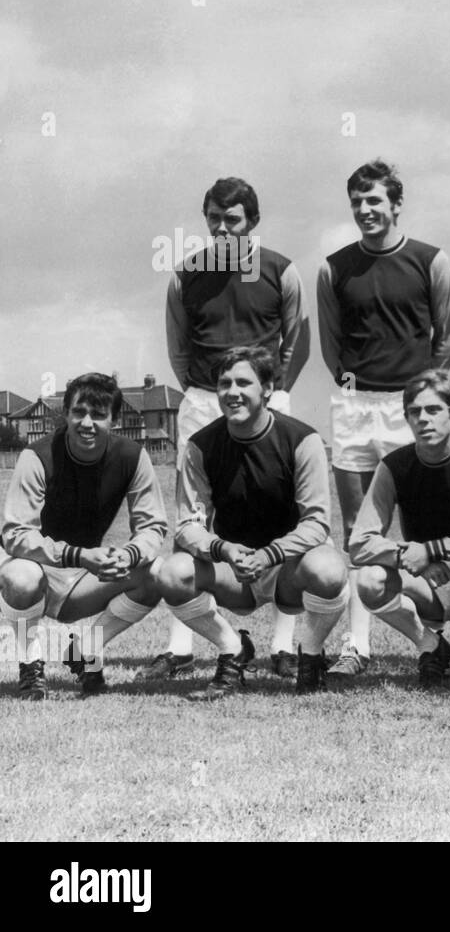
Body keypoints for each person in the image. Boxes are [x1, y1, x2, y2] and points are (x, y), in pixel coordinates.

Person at [147, 175, 310, 681]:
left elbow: (297, 340)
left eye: (232, 219)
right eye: (214, 219)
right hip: (203, 398)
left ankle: (284, 645)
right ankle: (182, 646)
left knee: (282, 512)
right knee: (194, 517)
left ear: (252, 222)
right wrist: (201, 390)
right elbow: (178, 347)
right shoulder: (185, 275)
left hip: (265, 399)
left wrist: (277, 390)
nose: (222, 228)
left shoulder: (282, 270)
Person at [317, 159, 450, 680]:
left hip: (408, 404)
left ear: (396, 204)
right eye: (357, 201)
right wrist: (358, 386)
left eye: (374, 200)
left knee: (426, 530)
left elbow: (447, 337)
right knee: (359, 532)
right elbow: (333, 348)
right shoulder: (334, 267)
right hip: (355, 409)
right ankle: (358, 645)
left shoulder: (431, 261)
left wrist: (420, 392)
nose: (365, 210)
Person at [157, 346, 349, 697]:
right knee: (172, 572)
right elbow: (187, 525)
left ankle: (311, 654)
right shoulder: (200, 446)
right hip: (236, 568)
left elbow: (317, 523)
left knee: (330, 568)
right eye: (224, 383)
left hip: (287, 567)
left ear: (268, 389)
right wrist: (224, 548)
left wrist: (270, 554)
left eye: (244, 382)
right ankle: (232, 650)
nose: (232, 392)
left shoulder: (302, 440)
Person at [1, 374, 168, 698]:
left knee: (155, 574)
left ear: (115, 419)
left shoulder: (133, 457)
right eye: (79, 412)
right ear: (65, 413)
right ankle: (30, 665)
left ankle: (86, 650)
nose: (87, 423)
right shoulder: (36, 456)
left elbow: (152, 526)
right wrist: (78, 556)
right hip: (29, 570)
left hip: (80, 579)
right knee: (23, 577)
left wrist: (128, 555)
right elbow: (17, 534)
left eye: (98, 414)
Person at [349, 370, 450, 689]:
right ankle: (431, 647)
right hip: (426, 580)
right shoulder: (394, 466)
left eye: (433, 410)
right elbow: (360, 543)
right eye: (415, 412)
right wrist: (410, 556)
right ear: (406, 418)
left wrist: (433, 549)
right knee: (369, 580)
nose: (424, 419)